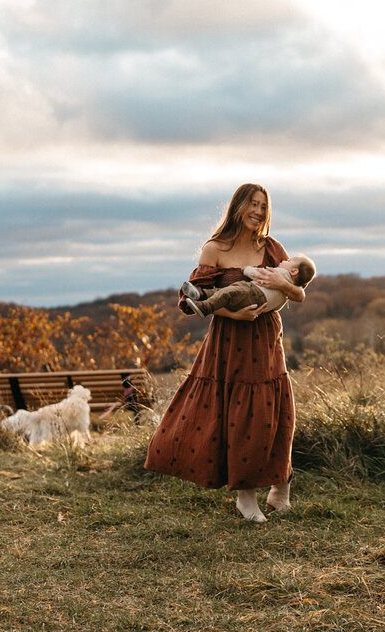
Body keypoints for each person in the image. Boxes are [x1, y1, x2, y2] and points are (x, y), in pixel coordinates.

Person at [144, 183, 306, 523]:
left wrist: (283, 286)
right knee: (239, 416)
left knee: (274, 413)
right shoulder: (214, 249)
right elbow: (190, 303)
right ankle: (245, 497)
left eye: (264, 206)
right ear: (238, 206)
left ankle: (280, 488)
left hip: (265, 340)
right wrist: (231, 313)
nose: (259, 211)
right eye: (253, 204)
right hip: (229, 342)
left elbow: (298, 292)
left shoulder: (272, 247)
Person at [179, 255, 316, 317]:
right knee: (225, 292)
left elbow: (258, 274)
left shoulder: (280, 272)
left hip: (253, 292)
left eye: (289, 260)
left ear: (294, 271)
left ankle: (205, 305)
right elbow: (278, 307)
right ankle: (201, 295)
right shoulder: (215, 248)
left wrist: (246, 270)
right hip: (257, 302)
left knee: (228, 292)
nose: (284, 260)